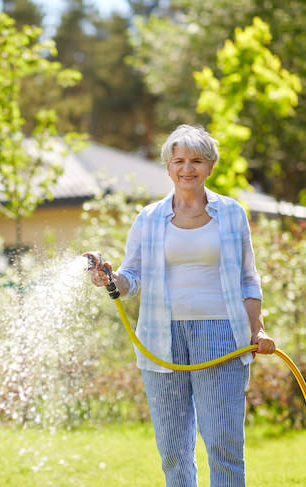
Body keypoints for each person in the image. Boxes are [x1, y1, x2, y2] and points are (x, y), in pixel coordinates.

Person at [88, 124, 275, 487]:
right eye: (179, 161)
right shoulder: (150, 218)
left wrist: (258, 329)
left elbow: (248, 279)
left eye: (196, 161)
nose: (187, 169)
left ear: (210, 166)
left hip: (222, 335)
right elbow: (131, 277)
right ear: (168, 167)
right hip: (161, 337)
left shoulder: (232, 213)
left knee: (224, 446)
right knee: (173, 451)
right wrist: (111, 279)